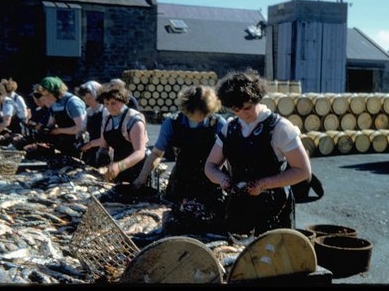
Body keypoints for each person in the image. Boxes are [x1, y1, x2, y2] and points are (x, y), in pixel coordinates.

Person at [204, 69, 312, 236]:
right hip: (238, 206)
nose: (242, 114)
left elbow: (303, 171)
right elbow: (210, 166)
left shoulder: (280, 127)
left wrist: (264, 183)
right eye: (236, 110)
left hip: (273, 207)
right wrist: (223, 179)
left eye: (247, 108)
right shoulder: (230, 128)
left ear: (257, 99)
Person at [134, 85, 227, 230]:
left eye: (205, 114)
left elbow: (229, 155)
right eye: (198, 113)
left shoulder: (218, 123)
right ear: (186, 109)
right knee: (177, 222)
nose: (201, 117)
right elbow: (157, 153)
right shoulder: (172, 122)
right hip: (181, 180)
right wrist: (141, 178)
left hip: (210, 182)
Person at [87, 83, 150, 203]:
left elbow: (140, 152)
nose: (110, 107)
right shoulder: (107, 118)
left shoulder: (134, 119)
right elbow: (103, 143)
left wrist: (119, 166)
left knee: (134, 201)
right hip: (118, 163)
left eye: (113, 103)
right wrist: (101, 158)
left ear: (123, 101)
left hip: (137, 167)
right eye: (106, 103)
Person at [35, 76, 87, 158]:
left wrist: (58, 131)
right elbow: (51, 123)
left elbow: (81, 127)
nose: (46, 98)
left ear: (56, 92)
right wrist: (45, 130)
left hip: (76, 142)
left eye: (48, 95)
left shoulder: (73, 103)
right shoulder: (54, 103)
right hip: (63, 141)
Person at [77, 80, 110, 167]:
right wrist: (79, 136)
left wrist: (89, 144)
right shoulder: (89, 111)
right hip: (91, 149)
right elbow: (82, 128)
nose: (87, 102)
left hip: (104, 151)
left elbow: (106, 138)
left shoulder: (105, 111)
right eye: (85, 99)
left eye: (89, 99)